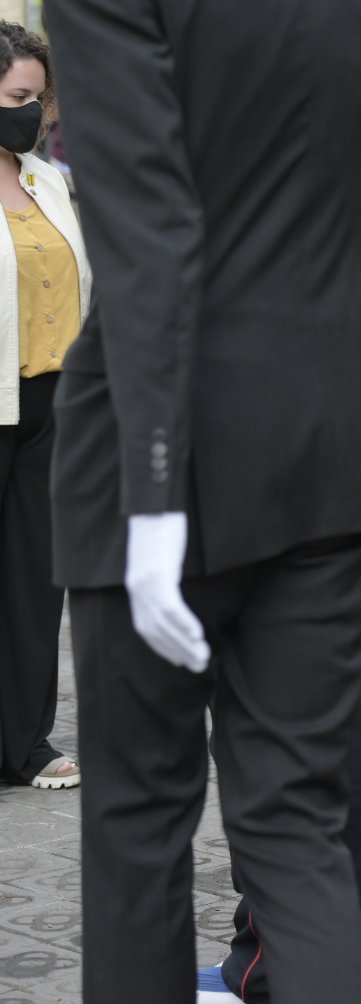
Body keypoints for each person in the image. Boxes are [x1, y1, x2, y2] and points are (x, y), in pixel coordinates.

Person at [45, 0, 361, 1004]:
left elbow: (148, 220)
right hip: (331, 444)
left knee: (137, 832)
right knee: (299, 830)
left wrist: (156, 484)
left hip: (160, 444)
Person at [195, 31, 361, 1004]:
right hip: (349, 410)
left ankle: (282, 962)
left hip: (250, 414)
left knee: (286, 701)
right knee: (345, 678)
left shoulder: (250, 49)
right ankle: (318, 945)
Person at [0, 22, 89, 792]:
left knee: (34, 582)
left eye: (38, 100)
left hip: (50, 404)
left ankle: (24, 743)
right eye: (16, 98)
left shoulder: (46, 180)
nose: (31, 114)